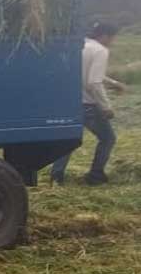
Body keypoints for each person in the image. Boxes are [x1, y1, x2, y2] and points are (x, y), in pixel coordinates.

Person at [50, 22, 125, 185]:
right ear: (105, 35)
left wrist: (113, 83)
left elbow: (86, 73)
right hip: (88, 105)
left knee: (69, 139)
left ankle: (56, 177)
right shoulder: (101, 51)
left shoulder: (81, 45)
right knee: (108, 139)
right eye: (113, 37)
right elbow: (94, 82)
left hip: (69, 101)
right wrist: (106, 107)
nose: (113, 41)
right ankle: (95, 176)